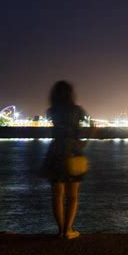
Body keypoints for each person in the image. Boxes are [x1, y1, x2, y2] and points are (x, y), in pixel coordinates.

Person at [43, 81, 88, 239]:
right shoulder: (77, 110)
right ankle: (69, 231)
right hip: (74, 151)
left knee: (57, 194)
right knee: (73, 195)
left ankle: (60, 231)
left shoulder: (51, 111)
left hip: (55, 151)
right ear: (71, 94)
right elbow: (90, 125)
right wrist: (84, 141)